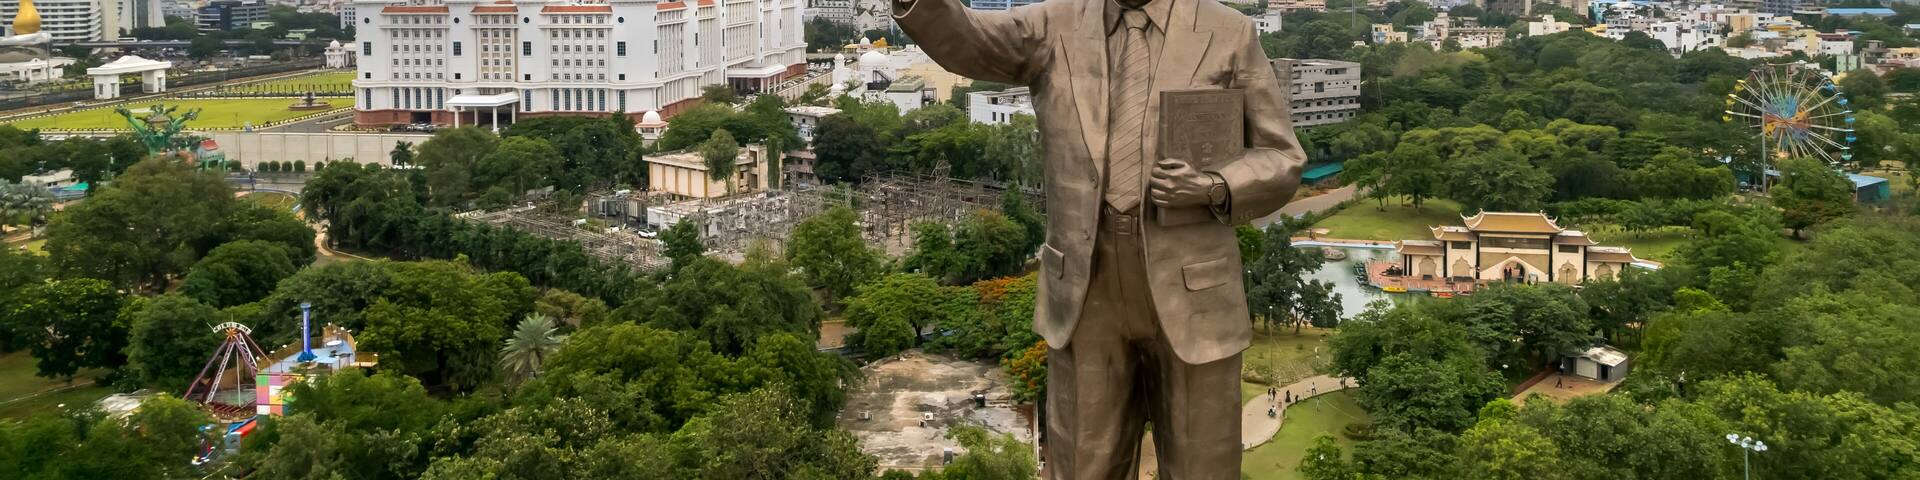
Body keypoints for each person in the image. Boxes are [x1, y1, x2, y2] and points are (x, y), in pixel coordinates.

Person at [890, 0, 1307, 477]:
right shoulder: (1053, 25)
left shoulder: (1228, 32)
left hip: (1194, 292)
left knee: (1203, 466)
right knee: (1083, 463)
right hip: (1086, 289)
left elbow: (1281, 157)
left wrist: (1213, 186)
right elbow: (966, 38)